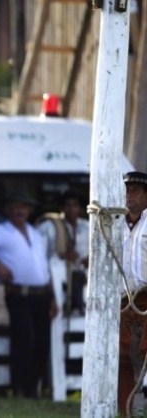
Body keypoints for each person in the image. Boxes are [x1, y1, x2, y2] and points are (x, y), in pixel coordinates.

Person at [0, 194, 57, 400]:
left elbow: (45, 267)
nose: (20, 210)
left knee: (41, 343)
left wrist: (53, 298)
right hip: (18, 294)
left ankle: (34, 390)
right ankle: (18, 389)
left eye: (24, 206)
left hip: (41, 295)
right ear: (8, 210)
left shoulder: (35, 233)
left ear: (29, 210)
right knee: (24, 340)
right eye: (15, 206)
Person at [118, 171, 147, 417]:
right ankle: (131, 413)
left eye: (135, 190)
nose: (130, 195)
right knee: (126, 361)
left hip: (145, 299)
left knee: (144, 359)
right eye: (128, 190)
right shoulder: (116, 222)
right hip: (124, 302)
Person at [37, 190, 89, 315]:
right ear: (62, 207)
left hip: (81, 278)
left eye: (75, 205)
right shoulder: (49, 227)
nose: (71, 209)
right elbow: (39, 255)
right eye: (67, 205)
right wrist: (62, 256)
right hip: (56, 278)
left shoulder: (88, 227)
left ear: (80, 208)